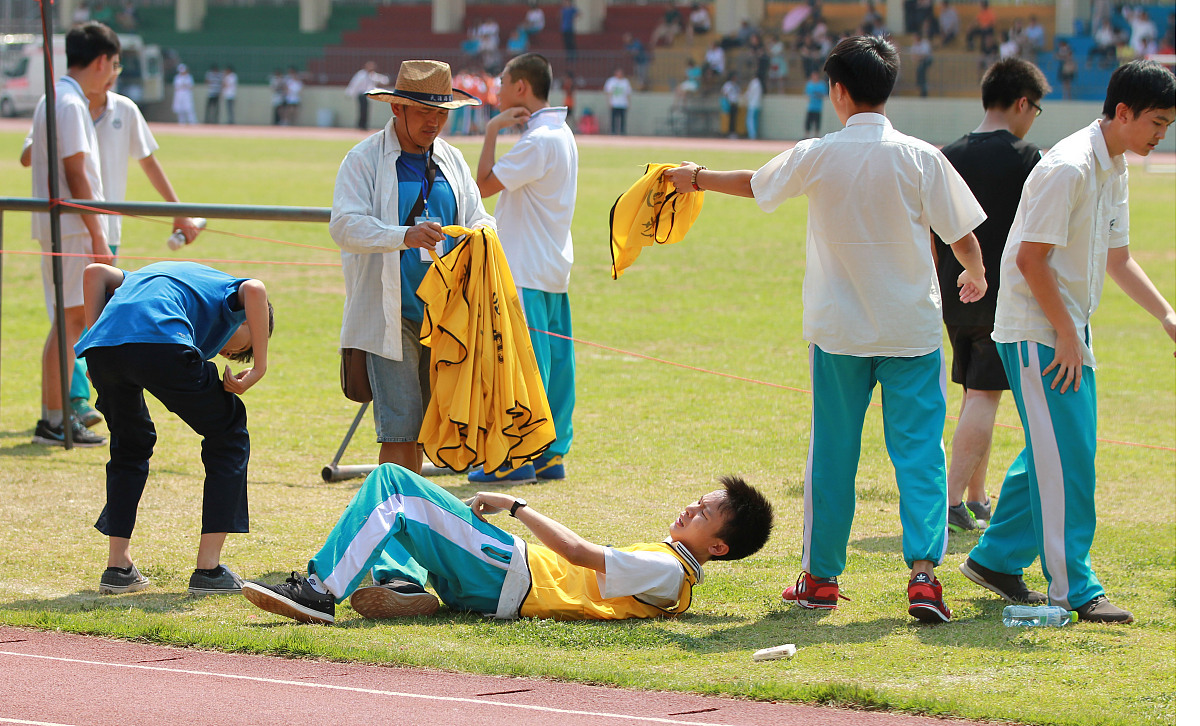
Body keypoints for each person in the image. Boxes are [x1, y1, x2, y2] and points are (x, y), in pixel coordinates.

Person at [663, 36, 987, 624]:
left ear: (837, 90)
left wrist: (696, 176)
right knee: (919, 455)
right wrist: (975, 270)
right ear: (888, 89)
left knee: (832, 455)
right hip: (910, 331)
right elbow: (960, 231)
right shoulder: (920, 156)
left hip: (839, 333)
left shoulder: (820, 152)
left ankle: (820, 579)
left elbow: (753, 183)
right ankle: (923, 577)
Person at [960, 60, 1176, 624]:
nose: (1161, 135)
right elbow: (1030, 261)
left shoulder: (1115, 168)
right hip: (1039, 332)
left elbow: (1119, 259)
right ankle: (1074, 587)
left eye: (1169, 126)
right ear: (1122, 113)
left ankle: (995, 559)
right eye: (1156, 122)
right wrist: (1064, 335)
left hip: (1064, 329)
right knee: (1070, 460)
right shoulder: (1069, 167)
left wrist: (1167, 316)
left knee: (1049, 455)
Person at [241, 465, 774, 623]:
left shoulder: (668, 571)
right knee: (407, 512)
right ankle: (402, 586)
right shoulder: (670, 568)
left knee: (393, 486)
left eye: (705, 513)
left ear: (719, 547)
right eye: (698, 500)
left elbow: (579, 555)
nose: (691, 508)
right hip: (503, 583)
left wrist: (515, 507)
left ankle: (319, 591)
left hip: (510, 575)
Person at [330, 60, 495, 475]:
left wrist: (483, 235)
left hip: (446, 316)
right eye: (425, 112)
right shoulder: (363, 159)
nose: (434, 123)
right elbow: (345, 226)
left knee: (425, 428)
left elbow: (480, 217)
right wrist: (403, 235)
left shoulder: (453, 160)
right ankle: (394, 516)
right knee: (399, 429)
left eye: (442, 114)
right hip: (392, 315)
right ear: (397, 109)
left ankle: (411, 517)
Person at [76, 261, 271, 596]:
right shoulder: (229, 290)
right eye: (238, 348)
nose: (226, 351)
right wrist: (259, 366)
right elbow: (255, 289)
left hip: (105, 350)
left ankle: (118, 568)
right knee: (229, 430)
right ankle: (209, 571)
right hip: (162, 343)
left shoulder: (153, 277)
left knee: (130, 443)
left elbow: (96, 273)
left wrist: (95, 340)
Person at [934, 58, 1049, 536]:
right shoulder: (1030, 159)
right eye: (1036, 109)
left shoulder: (946, 156)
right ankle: (951, 501)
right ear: (1023, 102)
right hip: (1001, 292)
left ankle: (978, 496)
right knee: (984, 394)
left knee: (977, 392)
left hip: (951, 289)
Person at [473, 53, 578, 484]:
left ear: (521, 89)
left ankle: (514, 459)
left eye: (502, 82)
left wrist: (492, 131)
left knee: (522, 365)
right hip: (551, 267)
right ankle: (550, 456)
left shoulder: (538, 142)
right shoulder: (561, 134)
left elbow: (481, 186)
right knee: (554, 364)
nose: (496, 90)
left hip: (527, 270)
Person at [27, 21, 119, 448]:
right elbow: (76, 173)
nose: (112, 73)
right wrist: (98, 234)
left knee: (68, 323)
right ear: (101, 61)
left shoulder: (57, 97)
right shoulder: (69, 102)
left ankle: (55, 416)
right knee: (69, 324)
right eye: (113, 64)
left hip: (63, 227)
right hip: (73, 229)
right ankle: (54, 418)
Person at [345, 61, 389, 131]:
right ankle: (360, 125)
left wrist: (385, 81)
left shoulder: (372, 75)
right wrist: (349, 93)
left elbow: (381, 79)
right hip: (361, 94)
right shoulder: (361, 74)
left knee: (366, 110)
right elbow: (354, 84)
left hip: (367, 95)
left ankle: (364, 125)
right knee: (362, 110)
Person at [603, 67, 632, 135]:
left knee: (623, 119)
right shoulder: (611, 81)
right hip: (614, 103)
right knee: (613, 118)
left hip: (623, 103)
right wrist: (609, 102)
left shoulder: (625, 81)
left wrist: (628, 103)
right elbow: (608, 92)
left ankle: (622, 132)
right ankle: (613, 131)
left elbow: (628, 93)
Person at [803, 70, 825, 138]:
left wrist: (818, 95)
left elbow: (823, 95)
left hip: (818, 108)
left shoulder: (821, 85)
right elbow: (807, 95)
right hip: (810, 107)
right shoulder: (809, 85)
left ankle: (816, 136)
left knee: (817, 123)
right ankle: (807, 136)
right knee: (808, 123)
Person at [720, 72, 740, 138]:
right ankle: (730, 132)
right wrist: (727, 101)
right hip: (730, 103)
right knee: (731, 119)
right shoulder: (728, 85)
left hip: (735, 103)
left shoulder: (736, 85)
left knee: (734, 119)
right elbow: (724, 93)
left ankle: (733, 132)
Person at [744, 74, 763, 140]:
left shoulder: (753, 83)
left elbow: (749, 93)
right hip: (757, 105)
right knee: (755, 121)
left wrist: (745, 98)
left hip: (752, 105)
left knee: (750, 120)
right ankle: (754, 134)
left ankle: (752, 135)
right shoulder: (759, 84)